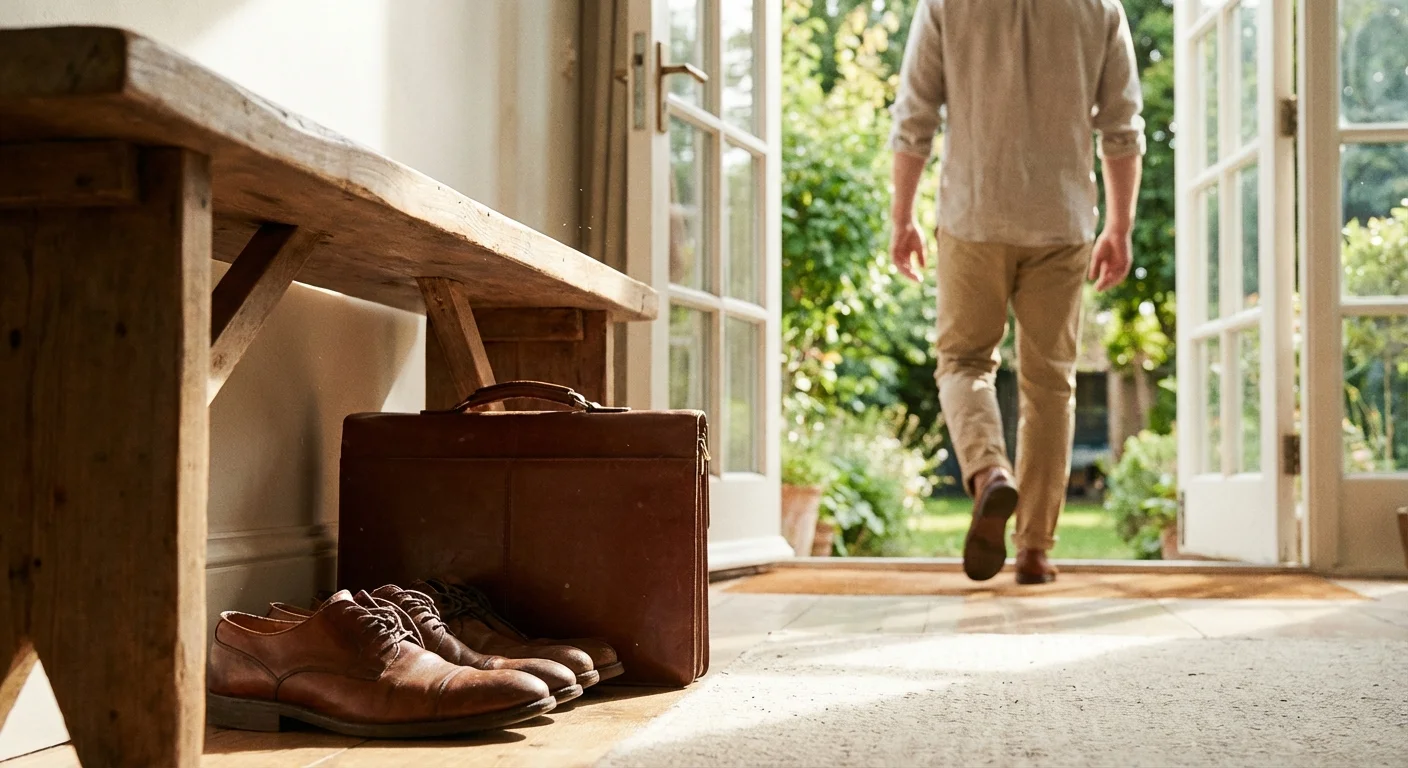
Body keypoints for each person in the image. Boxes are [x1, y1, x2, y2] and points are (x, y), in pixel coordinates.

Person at [888, 0, 1145, 584]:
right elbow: (1122, 128)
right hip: (1062, 219)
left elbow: (914, 117)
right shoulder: (1100, 8)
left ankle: (987, 474)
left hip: (972, 217)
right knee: (1051, 384)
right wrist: (1120, 227)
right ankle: (1034, 550)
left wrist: (902, 216)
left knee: (964, 362)